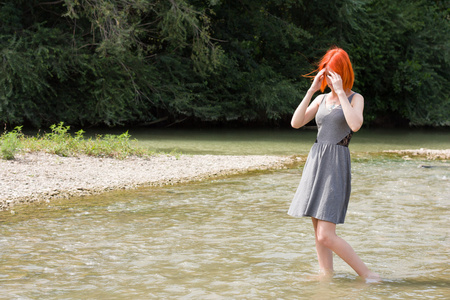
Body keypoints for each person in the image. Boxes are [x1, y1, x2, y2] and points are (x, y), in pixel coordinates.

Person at [288, 46, 380, 282]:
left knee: (326, 235)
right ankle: (325, 275)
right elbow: (296, 123)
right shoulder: (320, 99)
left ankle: (368, 274)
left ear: (343, 73)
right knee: (318, 233)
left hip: (335, 165)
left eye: (333, 74)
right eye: (326, 74)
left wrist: (340, 92)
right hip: (315, 164)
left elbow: (355, 124)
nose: (329, 79)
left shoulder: (355, 98)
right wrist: (310, 90)